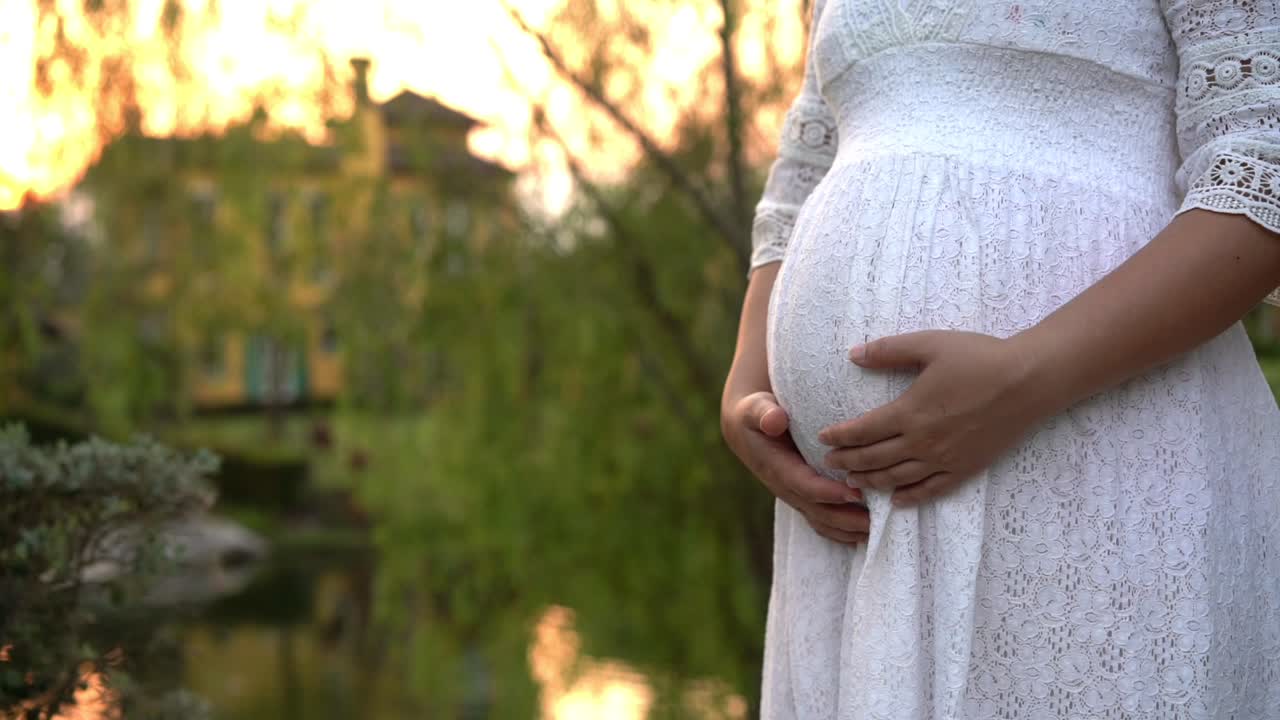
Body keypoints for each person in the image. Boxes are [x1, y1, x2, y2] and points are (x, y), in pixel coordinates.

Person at [720, 1, 1280, 717]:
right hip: (848, 526)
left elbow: (1262, 166)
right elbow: (800, 179)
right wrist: (747, 387)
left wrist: (1029, 374)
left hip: (1101, 460)